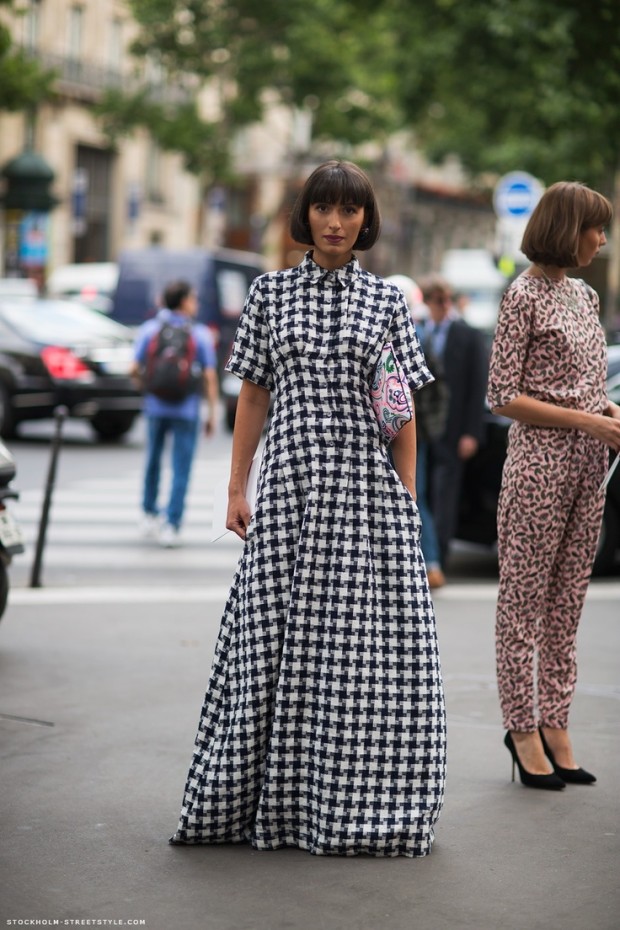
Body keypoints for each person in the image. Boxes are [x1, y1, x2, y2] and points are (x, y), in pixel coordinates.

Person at [170, 160, 446, 857]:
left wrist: (408, 500)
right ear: (306, 215)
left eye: (349, 211)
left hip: (362, 492)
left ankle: (346, 802)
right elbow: (253, 395)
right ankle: (267, 801)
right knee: (271, 642)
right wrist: (238, 486)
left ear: (364, 221)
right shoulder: (269, 294)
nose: (334, 221)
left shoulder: (386, 303)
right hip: (290, 488)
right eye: (323, 208)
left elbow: (400, 407)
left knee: (361, 658)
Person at [487, 181, 620, 789]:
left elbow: (583, 384)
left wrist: (606, 412)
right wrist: (586, 418)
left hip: (590, 464)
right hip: (539, 465)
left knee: (567, 604)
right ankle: (521, 729)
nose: (602, 239)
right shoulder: (523, 295)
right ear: (569, 228)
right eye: (596, 227)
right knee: (523, 607)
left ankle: (556, 722)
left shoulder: (586, 297)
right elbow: (502, 396)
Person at [131, 280, 218, 548]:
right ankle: (172, 524)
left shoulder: (150, 329)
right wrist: (211, 412)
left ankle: (148, 514)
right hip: (187, 409)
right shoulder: (199, 333)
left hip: (155, 406)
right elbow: (209, 375)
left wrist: (147, 388)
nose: (196, 303)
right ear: (183, 301)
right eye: (193, 298)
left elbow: (133, 368)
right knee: (181, 467)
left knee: (153, 461)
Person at [418, 276, 488, 570]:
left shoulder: (467, 335)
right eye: (436, 300)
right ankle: (424, 554)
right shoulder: (418, 333)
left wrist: (472, 432)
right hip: (421, 430)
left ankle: (440, 556)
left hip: (453, 429)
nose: (442, 306)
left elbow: (477, 388)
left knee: (445, 494)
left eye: (446, 299)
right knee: (420, 492)